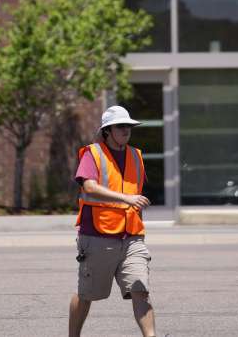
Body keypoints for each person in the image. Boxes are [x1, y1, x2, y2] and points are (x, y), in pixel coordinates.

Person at [68, 105, 155, 337]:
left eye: (129, 126)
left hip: (132, 236)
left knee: (140, 288)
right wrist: (126, 199)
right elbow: (89, 186)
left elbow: (135, 190)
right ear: (107, 131)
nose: (127, 130)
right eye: (121, 126)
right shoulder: (92, 153)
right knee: (87, 295)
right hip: (98, 235)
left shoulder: (136, 155)